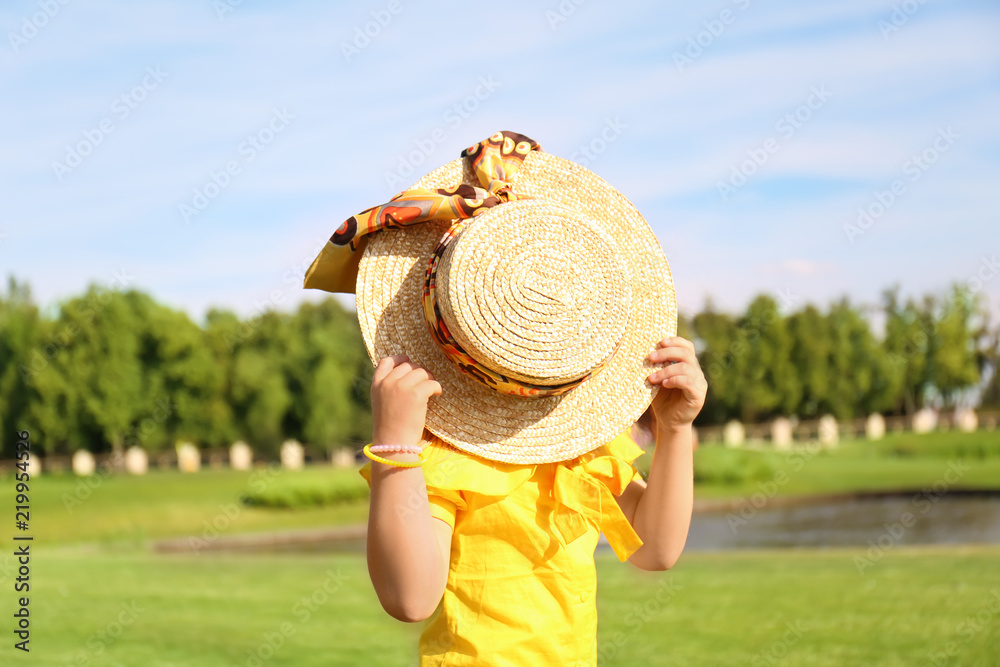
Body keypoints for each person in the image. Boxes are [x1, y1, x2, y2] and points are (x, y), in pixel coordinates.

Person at [304, 131, 707, 666]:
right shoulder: (447, 451)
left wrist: (675, 431)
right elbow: (410, 598)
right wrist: (397, 448)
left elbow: (654, 549)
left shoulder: (581, 445)